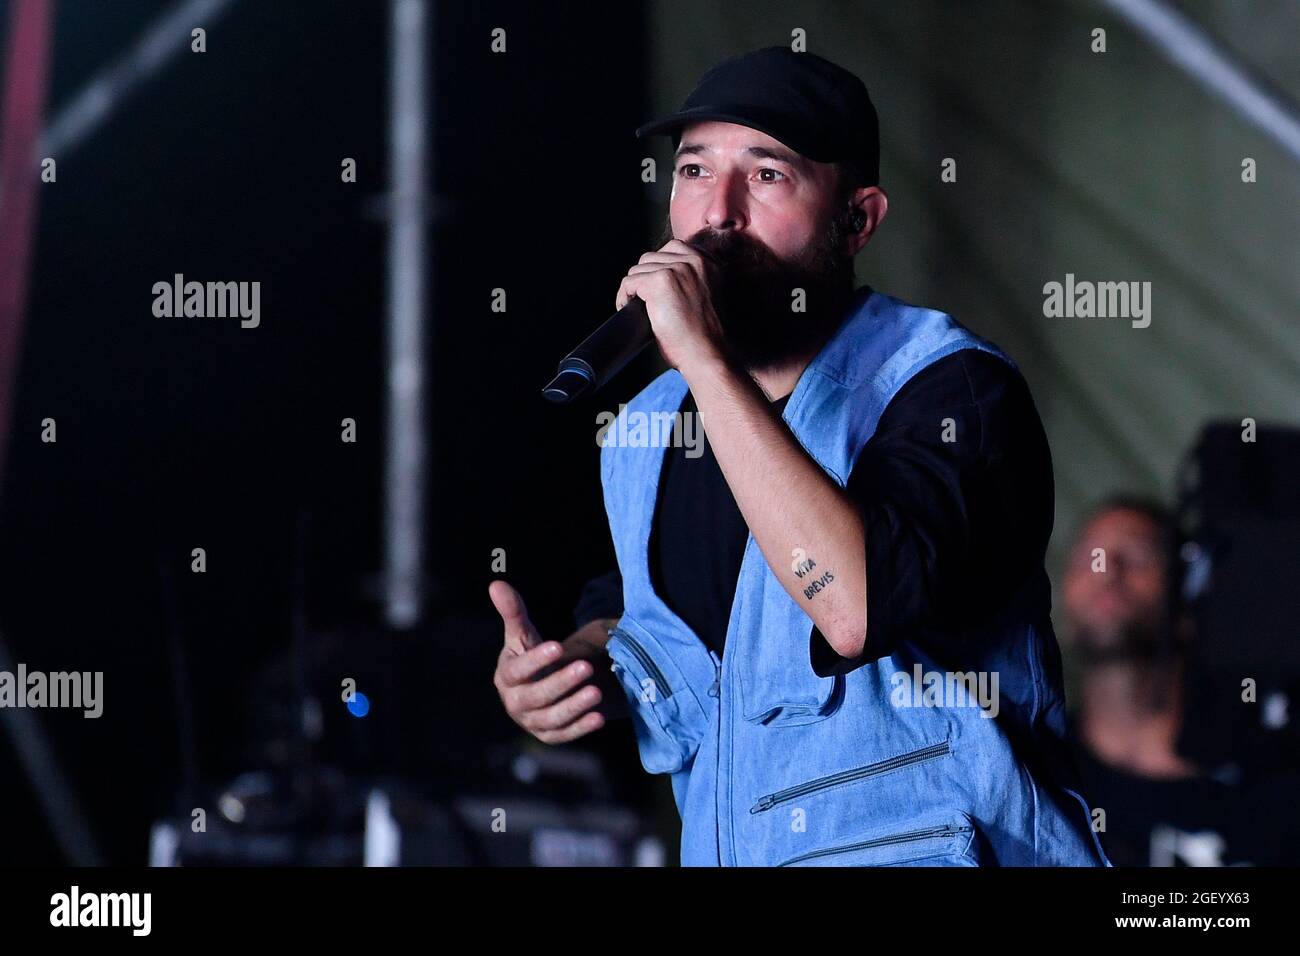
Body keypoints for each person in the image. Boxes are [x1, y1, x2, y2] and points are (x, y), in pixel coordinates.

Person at [490, 47, 1108, 866]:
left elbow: (852, 606)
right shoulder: (652, 426)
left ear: (858, 219)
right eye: (694, 170)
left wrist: (704, 363)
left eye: (768, 175)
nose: (718, 212)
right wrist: (567, 671)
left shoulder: (950, 390)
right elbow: (654, 619)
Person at [1062, 495, 1300, 865]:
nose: (1107, 571)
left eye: (1138, 556)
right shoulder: (1037, 772)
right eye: (1088, 557)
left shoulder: (1275, 782)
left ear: (1188, 593)